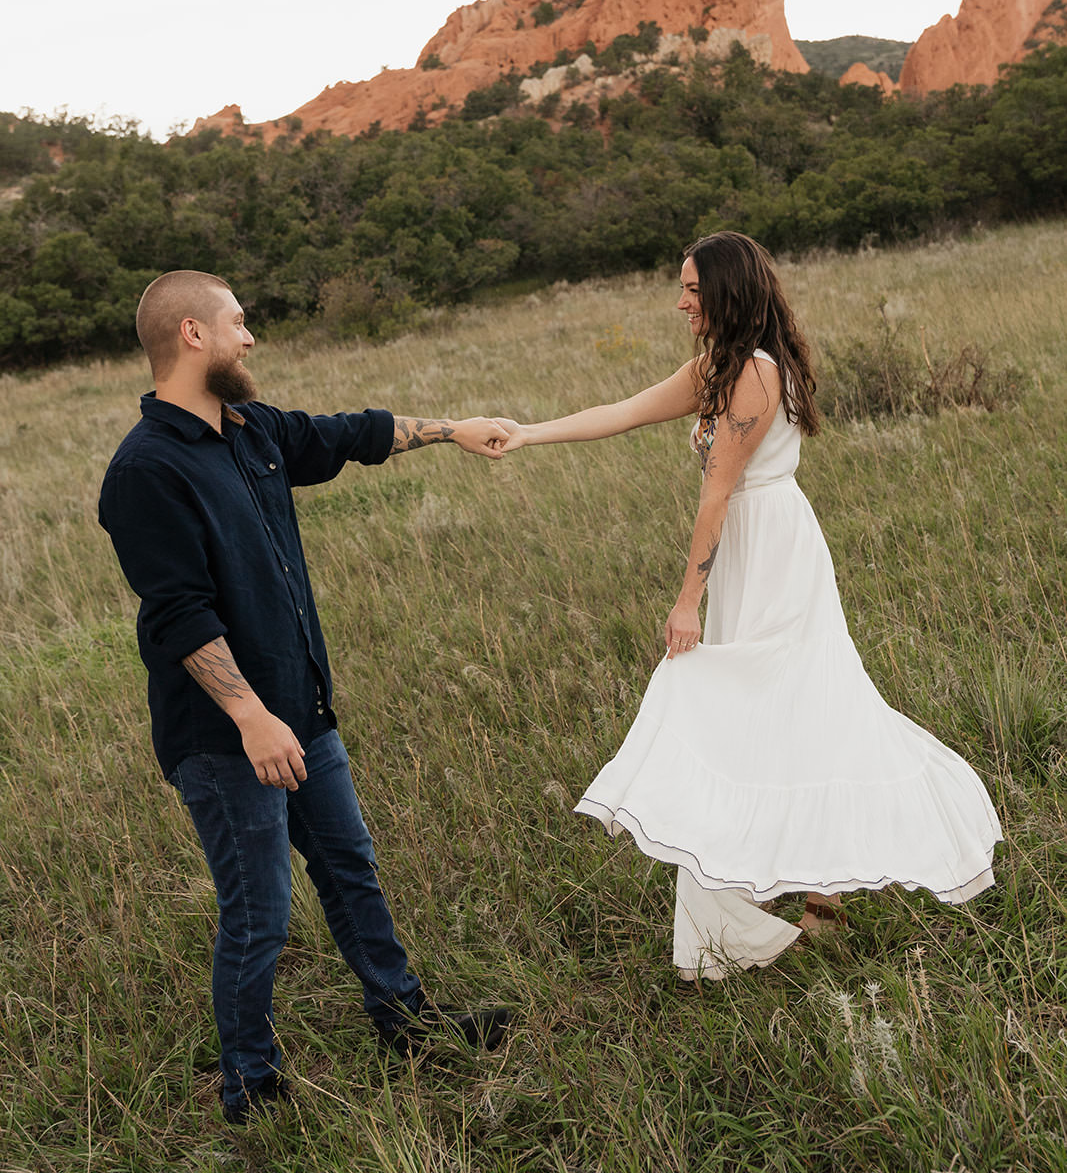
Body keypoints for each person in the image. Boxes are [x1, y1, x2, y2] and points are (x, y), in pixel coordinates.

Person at [496, 233, 1002, 980]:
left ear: (728, 293)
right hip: (747, 551)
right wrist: (526, 433)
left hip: (771, 554)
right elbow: (627, 409)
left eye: (692, 290)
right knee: (782, 715)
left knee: (773, 708)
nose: (680, 303)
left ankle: (802, 893)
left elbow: (719, 491)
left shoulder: (755, 376)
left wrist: (686, 600)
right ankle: (809, 903)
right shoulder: (718, 365)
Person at [99, 270, 511, 1125]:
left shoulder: (252, 430)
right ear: (192, 336)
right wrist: (250, 718)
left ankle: (407, 1026)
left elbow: (351, 434)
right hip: (225, 740)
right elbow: (177, 614)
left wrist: (452, 431)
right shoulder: (144, 471)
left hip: (303, 712)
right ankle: (249, 1088)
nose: (251, 339)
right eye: (238, 323)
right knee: (259, 914)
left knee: (350, 870)